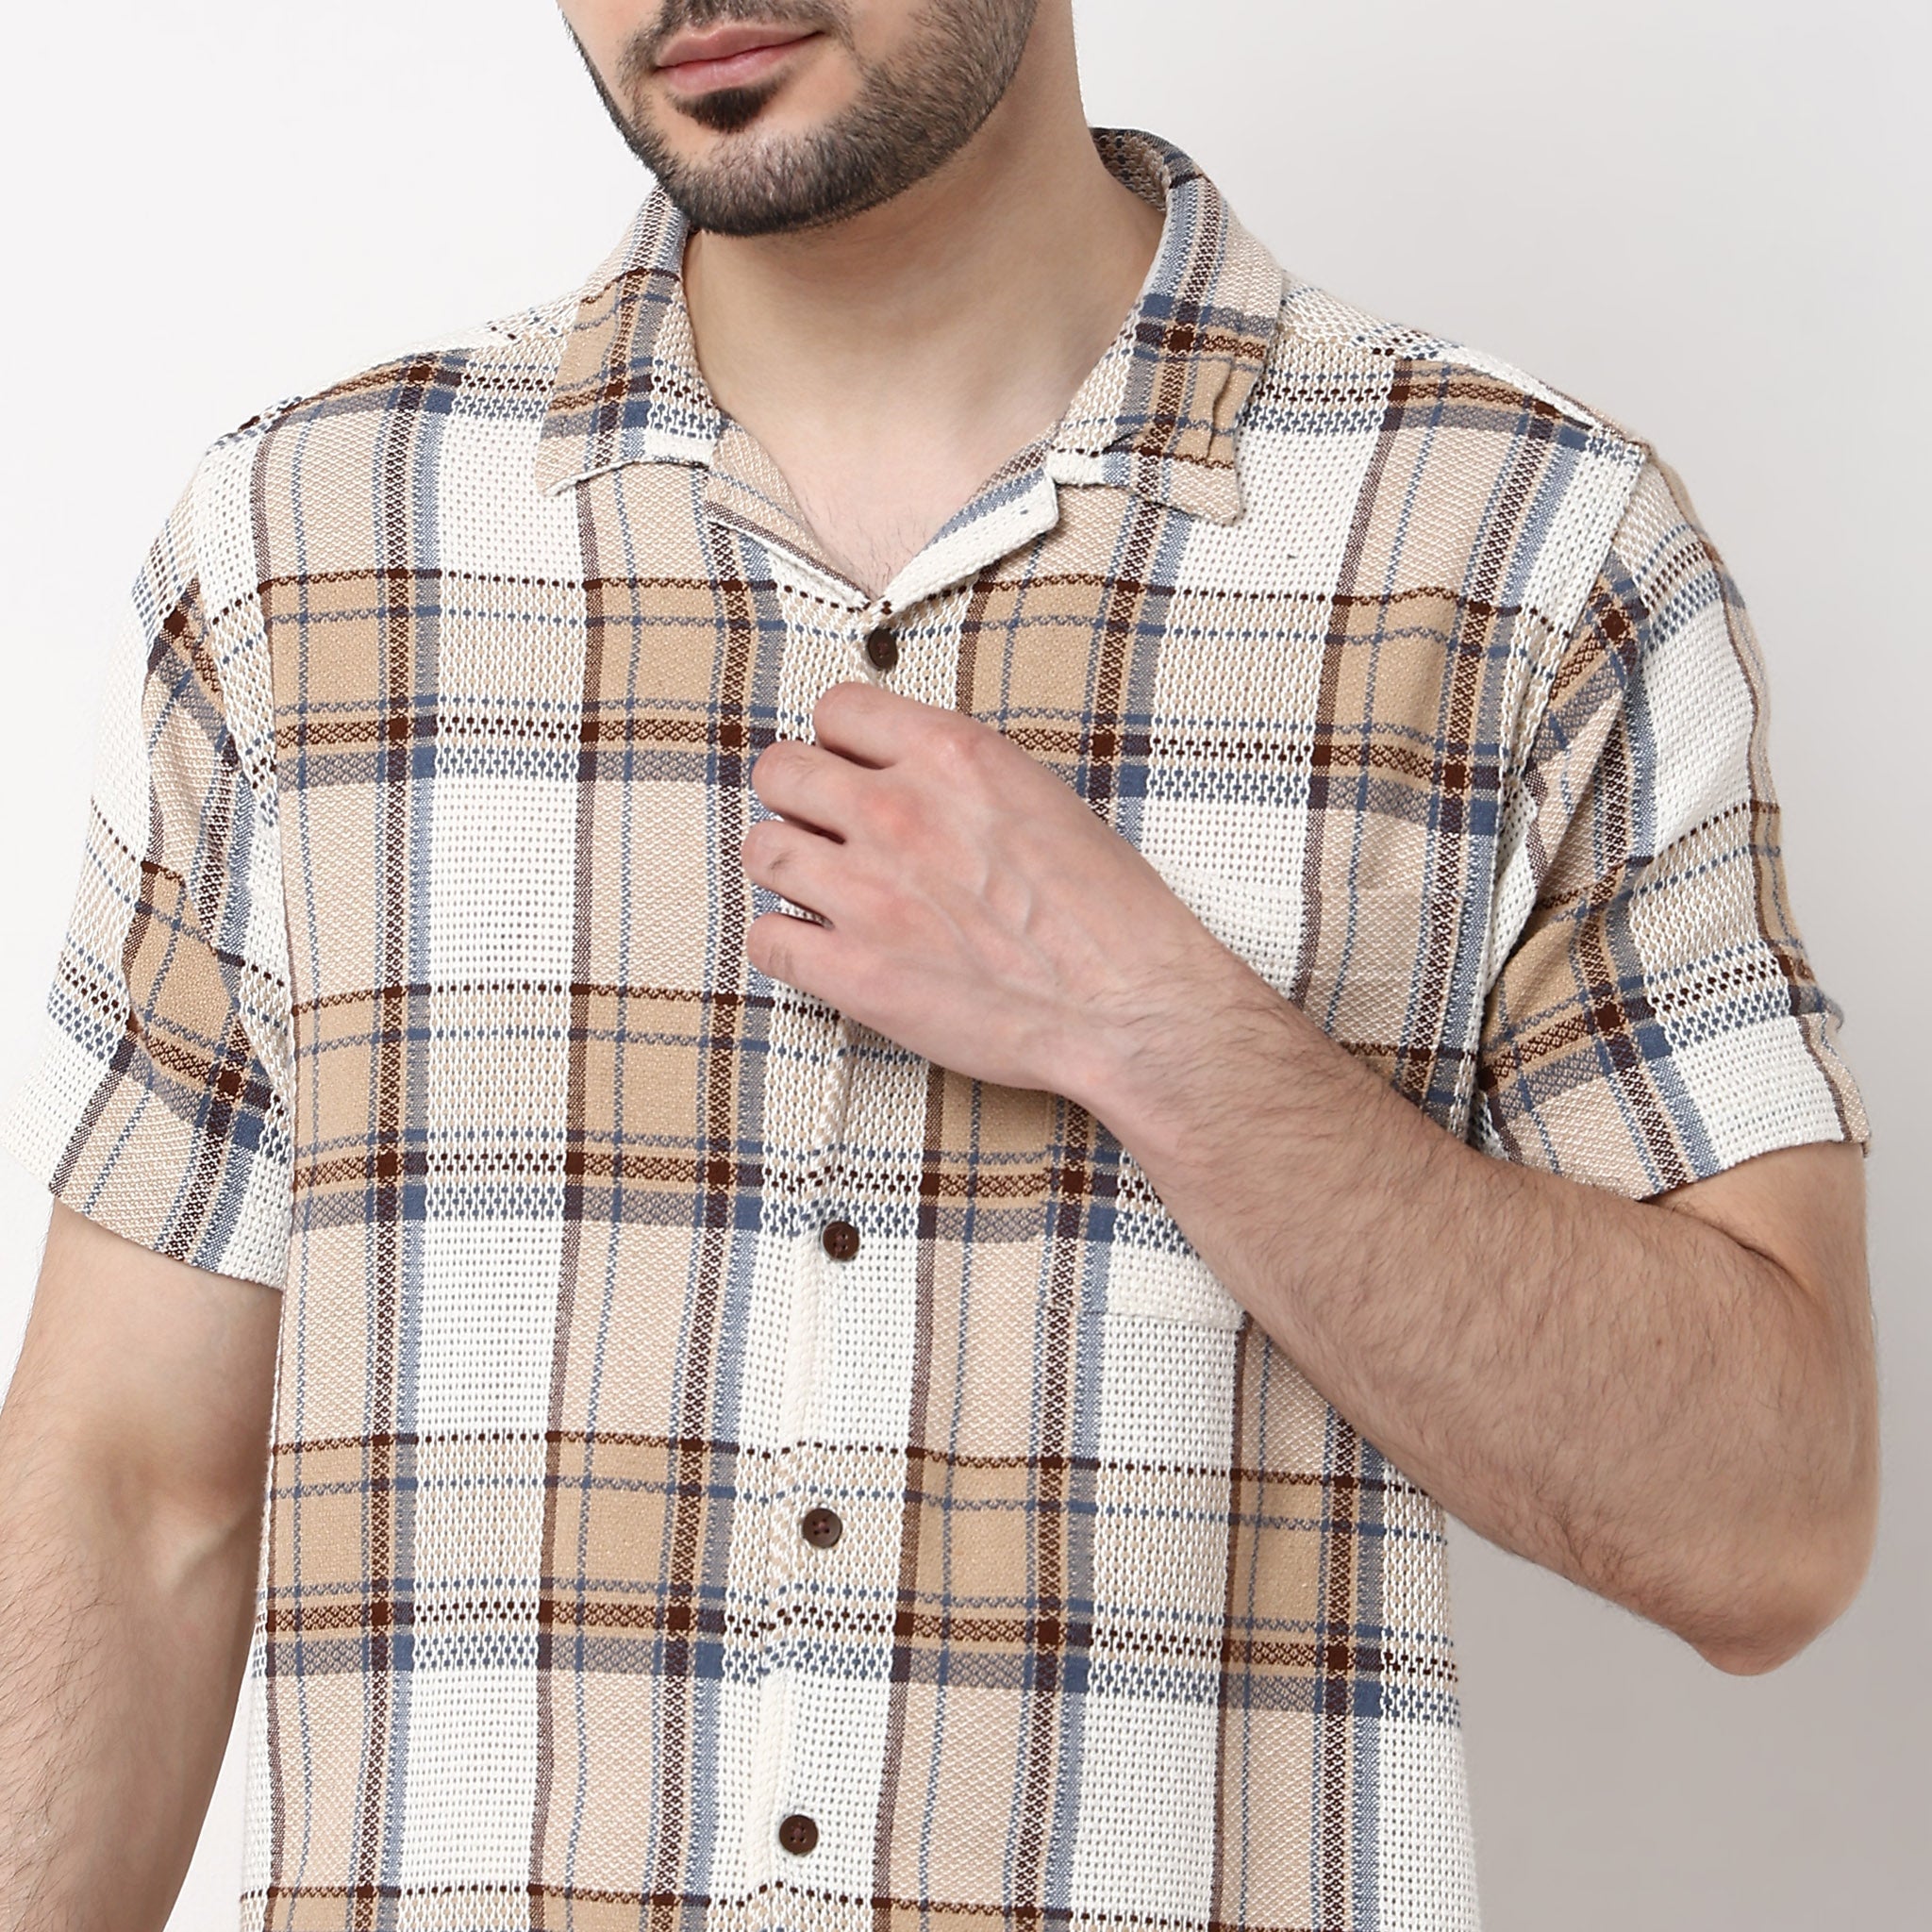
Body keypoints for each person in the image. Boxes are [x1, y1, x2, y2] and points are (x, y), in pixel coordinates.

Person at [0, 2, 1878, 1927]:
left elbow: (1772, 1525)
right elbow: (134, 1499)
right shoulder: (305, 563)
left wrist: (1152, 1023)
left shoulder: (1527, 559)